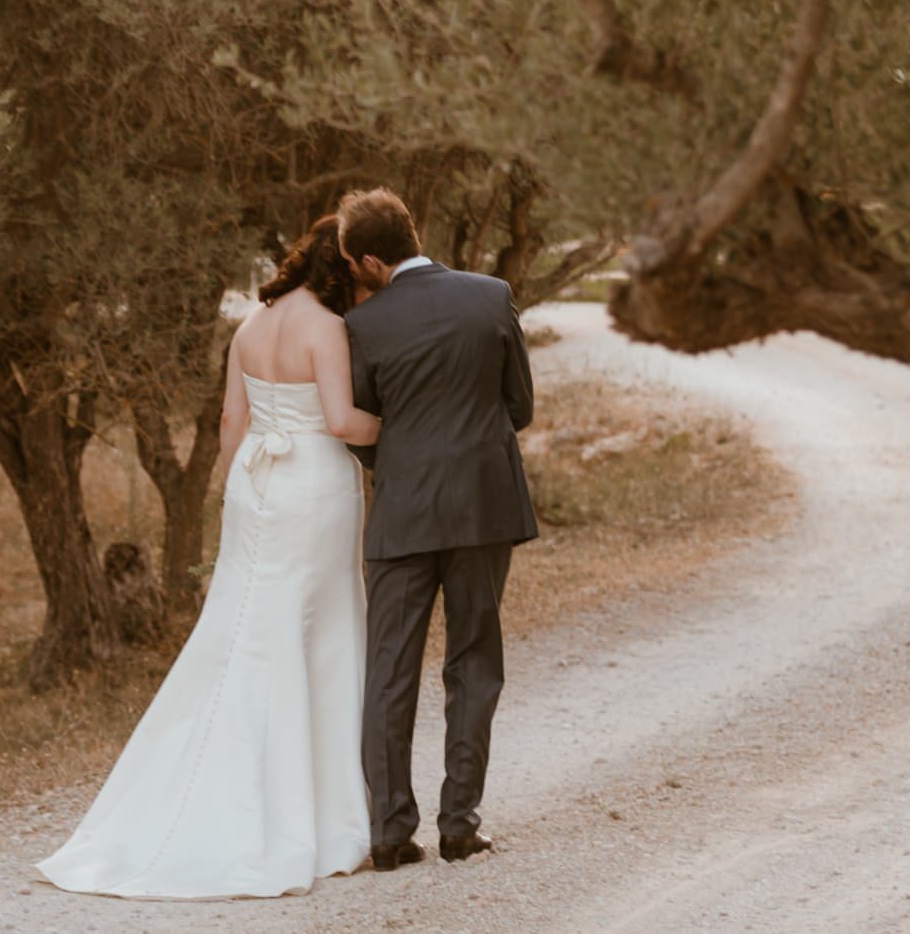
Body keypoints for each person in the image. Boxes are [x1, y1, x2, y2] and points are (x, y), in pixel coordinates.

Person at [36, 215, 380, 898]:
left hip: (256, 482)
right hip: (314, 482)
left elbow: (231, 423)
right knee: (323, 638)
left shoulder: (250, 327)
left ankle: (232, 790)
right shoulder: (327, 328)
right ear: (341, 270)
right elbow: (342, 421)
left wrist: (242, 488)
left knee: (249, 630)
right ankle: (325, 819)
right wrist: (403, 427)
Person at [337, 186, 537, 872]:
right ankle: (460, 824)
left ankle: (390, 832)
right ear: (413, 233)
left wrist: (400, 463)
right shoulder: (491, 294)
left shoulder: (362, 325)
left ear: (368, 260)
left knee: (389, 671)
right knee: (474, 661)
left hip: (401, 513)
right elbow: (521, 404)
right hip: (484, 505)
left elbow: (363, 429)